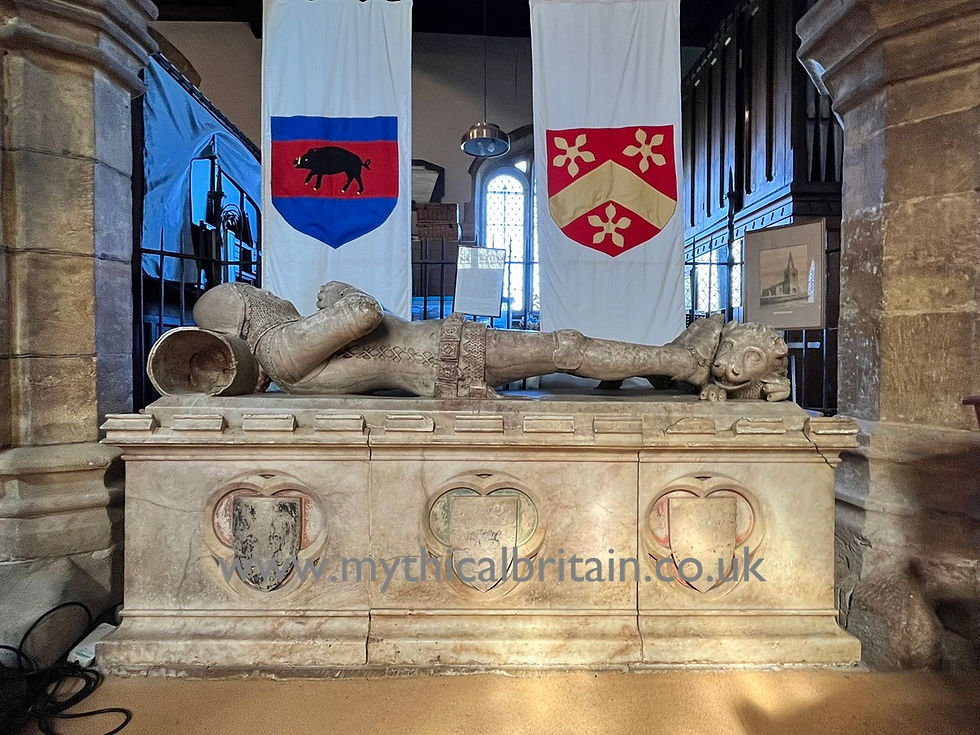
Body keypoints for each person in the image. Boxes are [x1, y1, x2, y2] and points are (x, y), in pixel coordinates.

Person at [192, 281, 723, 398]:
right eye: (254, 291)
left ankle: (662, 363)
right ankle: (685, 360)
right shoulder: (281, 348)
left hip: (438, 356)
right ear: (247, 308)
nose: (269, 292)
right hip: (444, 356)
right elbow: (362, 313)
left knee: (566, 353)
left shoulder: (283, 358)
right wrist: (336, 294)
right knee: (568, 347)